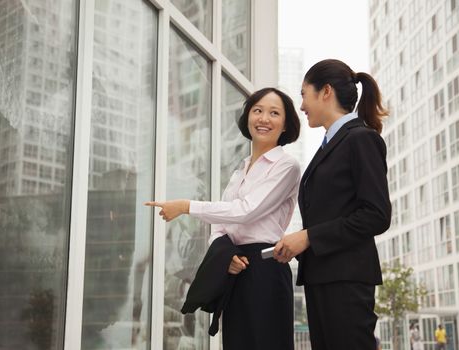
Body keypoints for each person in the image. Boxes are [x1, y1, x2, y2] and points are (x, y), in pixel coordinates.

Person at [146, 87, 301, 349]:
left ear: (285, 125)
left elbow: (246, 210)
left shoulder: (287, 166)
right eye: (258, 111)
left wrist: (186, 206)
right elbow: (220, 225)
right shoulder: (240, 170)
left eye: (274, 113)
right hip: (235, 266)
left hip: (266, 268)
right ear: (247, 117)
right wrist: (225, 255)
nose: (264, 118)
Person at [274, 59, 391, 350]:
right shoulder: (330, 144)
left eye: (304, 94)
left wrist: (309, 237)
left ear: (325, 91)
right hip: (322, 277)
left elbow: (377, 215)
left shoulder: (361, 139)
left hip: (346, 281)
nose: (301, 106)